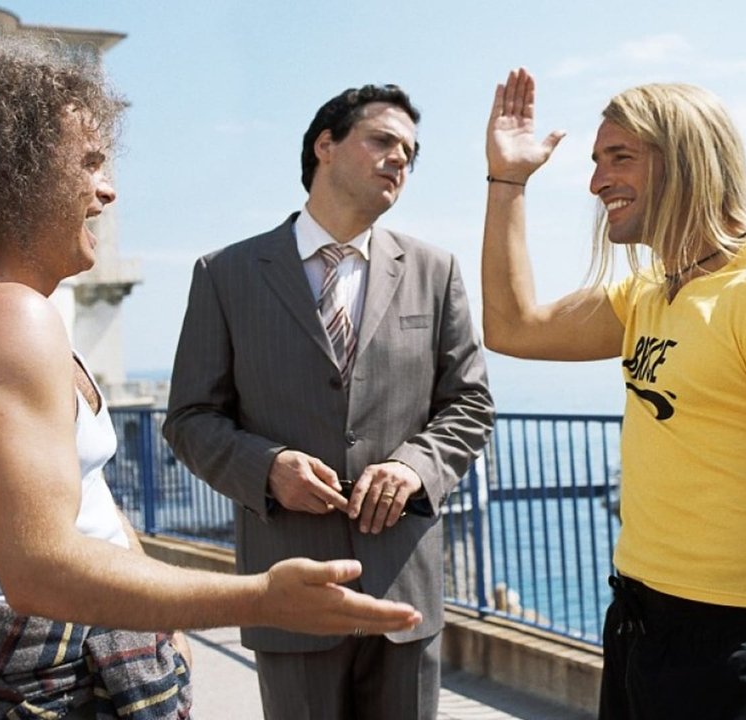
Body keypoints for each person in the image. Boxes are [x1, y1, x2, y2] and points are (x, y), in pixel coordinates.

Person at [0, 45, 422, 718]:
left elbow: (85, 505)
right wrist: (262, 598)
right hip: (38, 691)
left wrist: (163, 628)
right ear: (13, 171)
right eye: (89, 162)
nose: (108, 190)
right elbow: (40, 570)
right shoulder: (4, 320)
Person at [480, 68, 746, 720]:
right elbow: (512, 327)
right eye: (597, 161)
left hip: (732, 639)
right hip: (637, 621)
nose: (598, 182)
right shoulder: (648, 293)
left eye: (619, 158)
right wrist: (508, 181)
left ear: (686, 159)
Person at [162, 83, 494, 719]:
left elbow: (470, 404)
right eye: (383, 141)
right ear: (326, 146)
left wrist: (414, 467)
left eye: (410, 153)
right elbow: (189, 419)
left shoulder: (436, 270)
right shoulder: (225, 274)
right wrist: (267, 468)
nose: (399, 159)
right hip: (288, 589)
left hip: (404, 589)